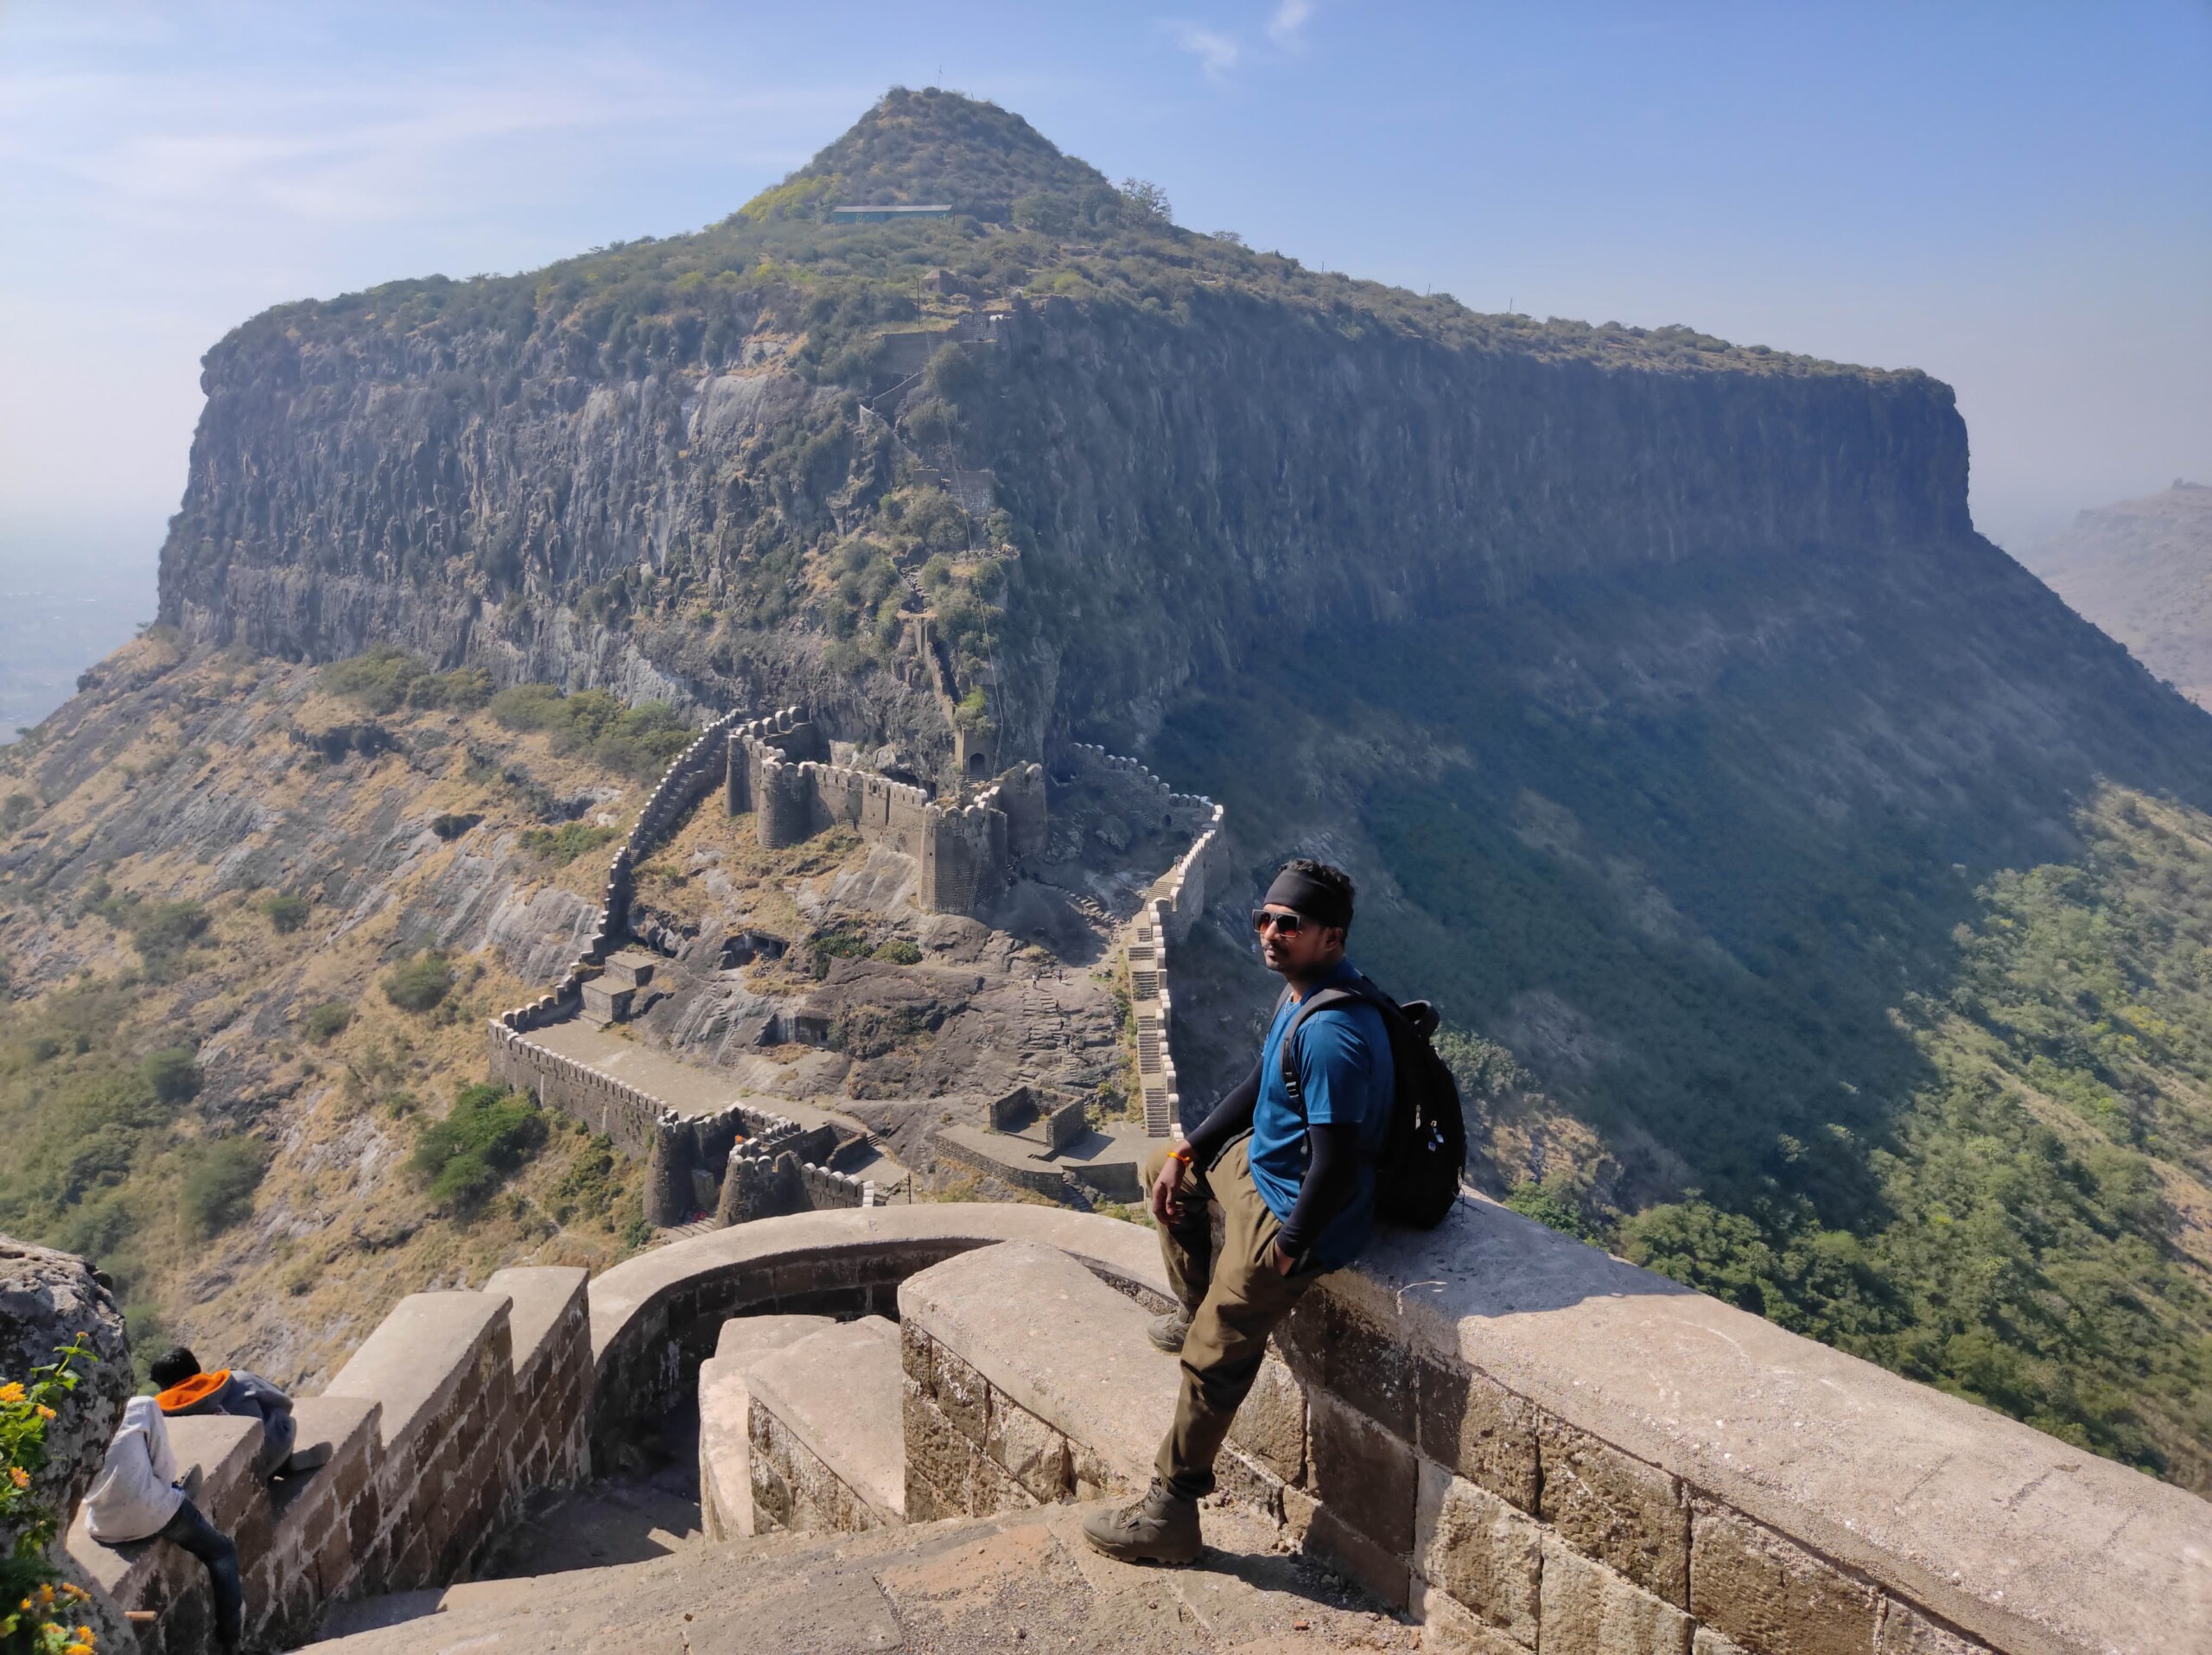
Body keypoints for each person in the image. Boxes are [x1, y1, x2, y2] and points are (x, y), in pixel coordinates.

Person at [1084, 857, 1395, 1566]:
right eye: (1265, 919)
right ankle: (1195, 1300)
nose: (1271, 933)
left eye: (1291, 924)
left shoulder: (1331, 1034)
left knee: (1215, 1351)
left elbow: (1337, 1163)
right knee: (1162, 1173)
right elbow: (1262, 1082)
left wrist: (1286, 1250)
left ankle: (1171, 1508)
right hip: (1264, 1167)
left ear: (1332, 937)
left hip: (1292, 1204)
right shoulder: (1304, 997)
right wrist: (1189, 1148)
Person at [84, 1393, 243, 1652]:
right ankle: (231, 1639)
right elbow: (164, 1467)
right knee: (223, 1553)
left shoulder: (64, 1426)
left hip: (105, 1527)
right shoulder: (140, 1407)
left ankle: (176, 1495)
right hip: (157, 1514)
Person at [149, 1347, 329, 1479]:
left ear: (163, 1385)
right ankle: (282, 1462)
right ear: (197, 1367)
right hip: (276, 1449)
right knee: (272, 1411)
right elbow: (283, 1402)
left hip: (233, 1476)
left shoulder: (162, 1415)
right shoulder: (239, 1379)